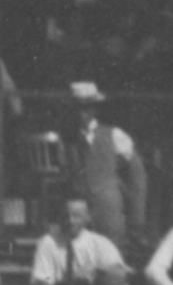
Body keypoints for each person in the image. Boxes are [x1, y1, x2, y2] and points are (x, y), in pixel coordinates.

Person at [60, 84, 147, 252]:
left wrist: (137, 219)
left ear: (94, 109)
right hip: (78, 216)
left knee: (111, 261)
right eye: (76, 108)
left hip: (108, 212)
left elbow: (138, 176)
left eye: (86, 107)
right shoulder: (69, 140)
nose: (81, 113)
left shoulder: (114, 135)